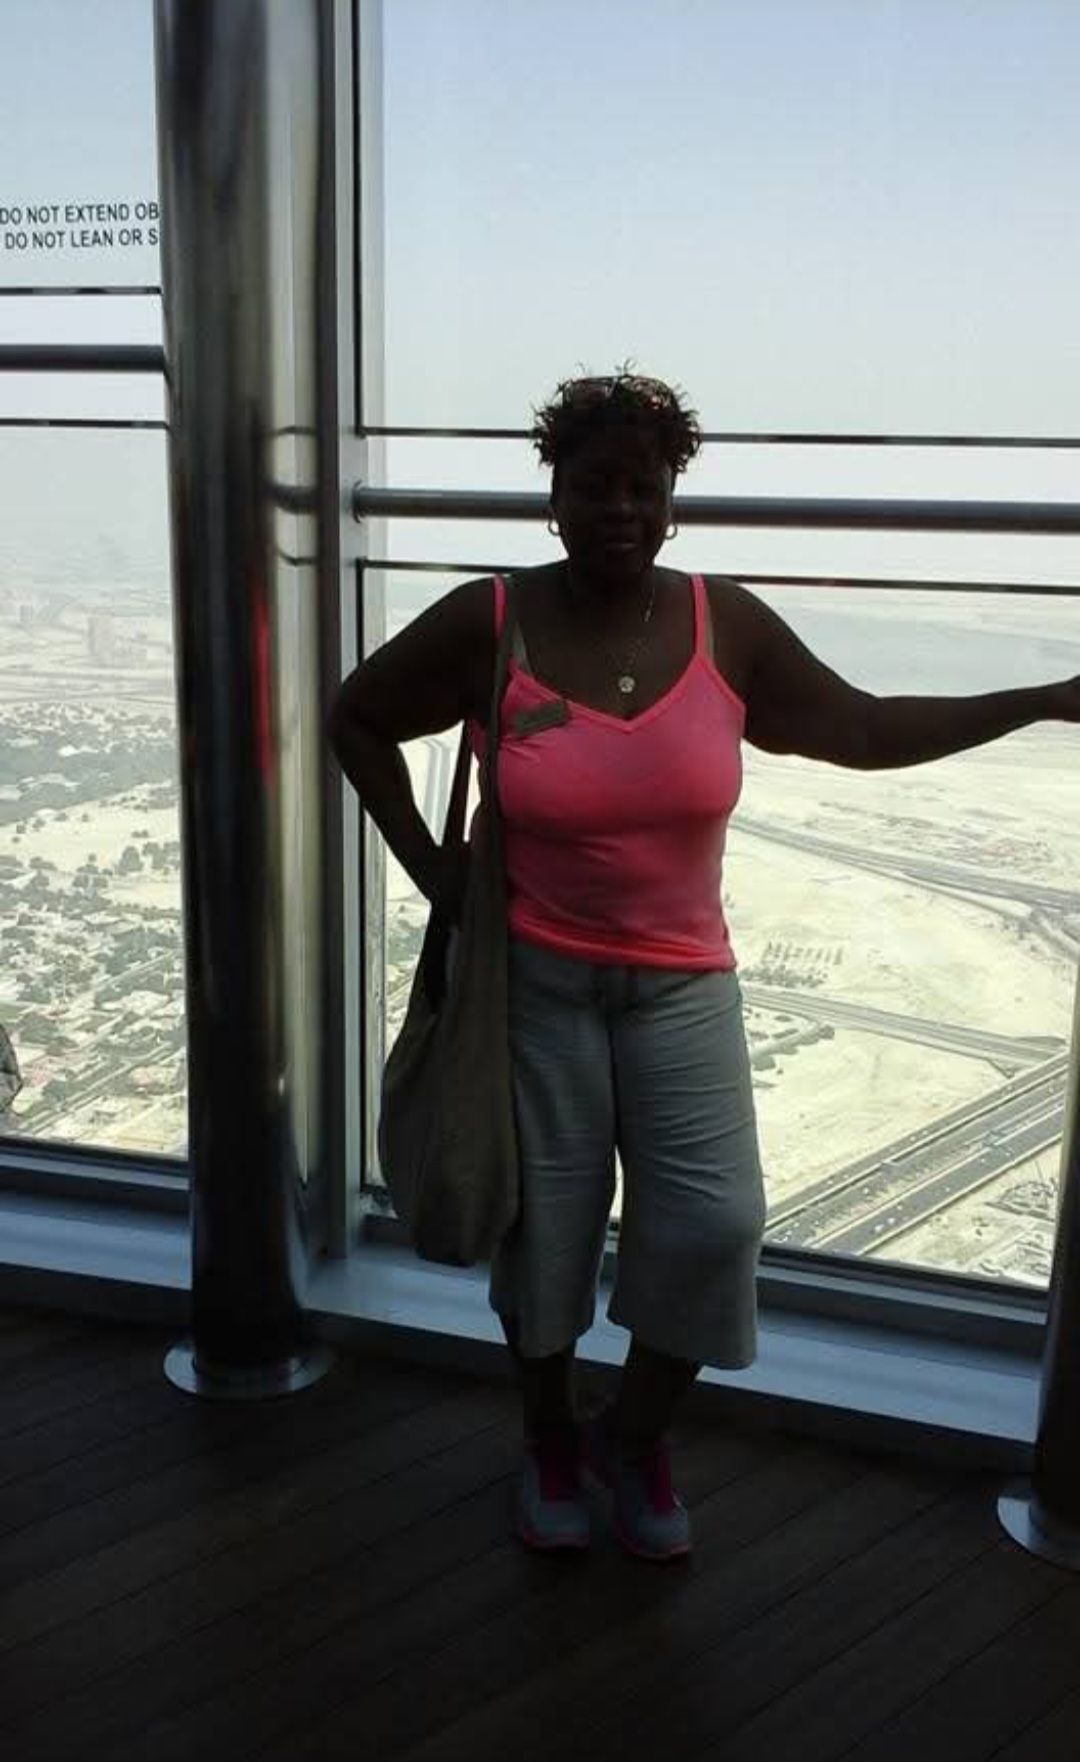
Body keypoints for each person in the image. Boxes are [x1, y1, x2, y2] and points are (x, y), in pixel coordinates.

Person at [328, 369, 1080, 1562]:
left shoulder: (723, 623)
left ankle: (632, 1435)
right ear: (554, 498)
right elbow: (355, 713)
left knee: (716, 1227)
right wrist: (436, 874)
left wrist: (1043, 697)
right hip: (537, 984)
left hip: (684, 986)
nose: (620, 507)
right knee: (547, 1241)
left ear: (672, 499)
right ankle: (551, 1443)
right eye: (594, 486)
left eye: (645, 486)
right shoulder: (493, 621)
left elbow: (866, 729)